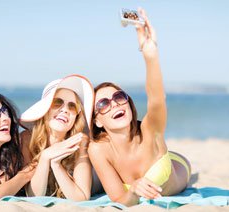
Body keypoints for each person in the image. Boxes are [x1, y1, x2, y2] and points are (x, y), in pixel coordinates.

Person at [88, 8, 191, 206]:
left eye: (119, 96)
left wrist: (150, 56)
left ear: (128, 101)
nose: (115, 103)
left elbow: (157, 99)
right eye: (103, 104)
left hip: (178, 166)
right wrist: (134, 189)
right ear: (97, 120)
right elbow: (120, 199)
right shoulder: (98, 149)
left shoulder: (150, 130)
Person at [19, 74, 94, 200]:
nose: (65, 110)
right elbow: (34, 195)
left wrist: (56, 164)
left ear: (76, 116)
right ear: (45, 109)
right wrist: (45, 157)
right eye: (57, 102)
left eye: (72, 106)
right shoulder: (27, 139)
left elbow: (82, 198)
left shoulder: (80, 142)